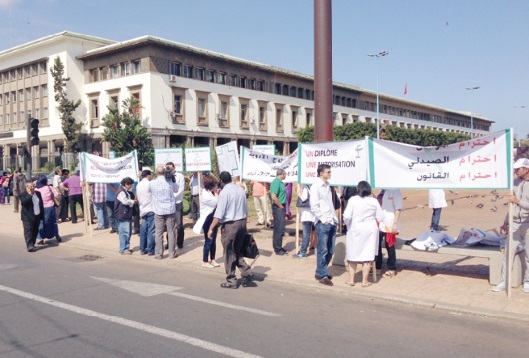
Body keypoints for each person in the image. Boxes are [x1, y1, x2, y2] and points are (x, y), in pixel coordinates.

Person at [208, 171, 253, 289]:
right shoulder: (240, 190)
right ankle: (247, 272)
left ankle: (231, 280)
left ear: (221, 181)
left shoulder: (224, 193)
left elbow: (219, 214)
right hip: (242, 223)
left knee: (229, 252)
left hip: (230, 226)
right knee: (236, 251)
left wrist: (211, 228)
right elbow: (246, 209)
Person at [492, 158, 529, 293]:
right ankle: (504, 281)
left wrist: (519, 202)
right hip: (514, 223)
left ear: (526, 169)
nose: (515, 171)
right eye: (515, 169)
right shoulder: (514, 183)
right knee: (507, 254)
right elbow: (510, 206)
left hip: (527, 224)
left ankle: (527, 281)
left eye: (518, 169)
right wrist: (506, 222)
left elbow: (517, 203)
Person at [343, 181, 384, 287]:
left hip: (355, 229)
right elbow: (380, 217)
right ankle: (364, 281)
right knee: (367, 256)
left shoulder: (353, 200)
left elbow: (347, 216)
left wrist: (348, 225)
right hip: (370, 230)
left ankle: (351, 280)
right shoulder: (374, 201)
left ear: (358, 189)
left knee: (352, 254)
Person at [310, 164, 338, 286]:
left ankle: (320, 271)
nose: (330, 174)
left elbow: (329, 204)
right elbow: (314, 206)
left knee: (331, 249)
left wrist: (334, 218)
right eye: (328, 172)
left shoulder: (327, 185)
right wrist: (323, 219)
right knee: (323, 249)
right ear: (321, 173)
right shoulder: (316, 185)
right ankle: (322, 275)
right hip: (323, 222)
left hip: (331, 220)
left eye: (330, 172)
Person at [150, 165, 180, 259]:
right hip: (170, 210)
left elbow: (149, 191)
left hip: (158, 210)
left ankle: (158, 254)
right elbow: (177, 189)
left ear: (156, 173)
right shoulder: (170, 182)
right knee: (171, 232)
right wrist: (173, 179)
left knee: (158, 233)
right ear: (164, 172)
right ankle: (172, 253)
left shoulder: (152, 183)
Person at [193, 177, 220, 268]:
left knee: (213, 241)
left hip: (213, 219)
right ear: (211, 186)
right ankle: (205, 260)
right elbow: (218, 202)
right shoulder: (206, 195)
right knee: (209, 240)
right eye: (215, 185)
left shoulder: (209, 193)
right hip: (208, 220)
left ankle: (213, 259)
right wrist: (216, 192)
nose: (216, 186)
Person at [376, 189, 403, 278]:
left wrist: (395, 224)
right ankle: (377, 267)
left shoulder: (395, 191)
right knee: (377, 244)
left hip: (390, 223)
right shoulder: (381, 191)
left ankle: (392, 268)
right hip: (380, 222)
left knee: (389, 245)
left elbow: (398, 208)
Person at [34, 176, 62, 245]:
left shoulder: (36, 189)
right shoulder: (49, 187)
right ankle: (56, 235)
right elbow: (56, 195)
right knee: (52, 222)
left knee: (41, 223)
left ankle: (40, 238)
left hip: (40, 208)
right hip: (50, 207)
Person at [114, 177, 137, 255]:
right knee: (125, 232)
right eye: (130, 185)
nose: (131, 186)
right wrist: (133, 202)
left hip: (125, 214)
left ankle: (125, 247)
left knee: (126, 232)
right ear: (126, 184)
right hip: (123, 214)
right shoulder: (121, 192)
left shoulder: (124, 191)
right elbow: (125, 201)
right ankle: (124, 249)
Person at [19, 182, 44, 252]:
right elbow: (24, 203)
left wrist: (42, 215)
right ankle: (29, 246)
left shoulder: (38, 193)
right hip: (27, 217)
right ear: (26, 187)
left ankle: (32, 244)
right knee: (28, 231)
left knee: (35, 231)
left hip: (37, 215)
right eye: (30, 187)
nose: (32, 188)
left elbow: (41, 204)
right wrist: (30, 195)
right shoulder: (23, 195)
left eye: (33, 186)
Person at [166, 162, 185, 250]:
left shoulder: (180, 176)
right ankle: (169, 242)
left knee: (179, 224)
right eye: (167, 168)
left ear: (174, 168)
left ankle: (180, 242)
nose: (169, 169)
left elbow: (181, 189)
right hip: (169, 204)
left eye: (170, 168)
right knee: (169, 224)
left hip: (177, 202)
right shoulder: (165, 176)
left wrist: (172, 196)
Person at [137, 169, 155, 256]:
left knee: (143, 231)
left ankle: (142, 249)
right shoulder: (150, 184)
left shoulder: (138, 185)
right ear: (148, 175)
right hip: (150, 209)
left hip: (143, 210)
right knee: (151, 230)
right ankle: (151, 250)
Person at [295, 184, 315, 258]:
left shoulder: (306, 188)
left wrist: (299, 194)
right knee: (308, 233)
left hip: (306, 214)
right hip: (311, 214)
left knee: (306, 234)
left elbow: (304, 198)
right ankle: (304, 250)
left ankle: (303, 252)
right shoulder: (313, 187)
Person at [270, 169, 288, 255]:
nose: (286, 176)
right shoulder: (276, 182)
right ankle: (277, 249)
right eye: (285, 174)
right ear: (282, 174)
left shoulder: (280, 182)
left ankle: (279, 246)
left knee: (280, 228)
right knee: (279, 228)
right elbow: (273, 196)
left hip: (280, 206)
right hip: (278, 207)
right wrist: (280, 206)